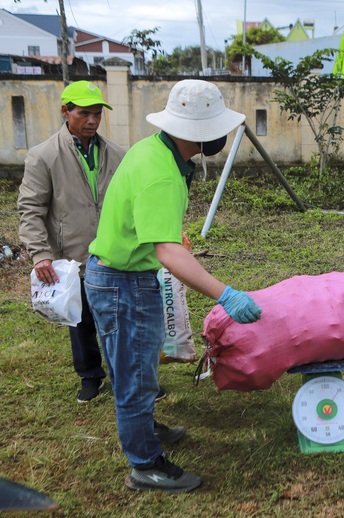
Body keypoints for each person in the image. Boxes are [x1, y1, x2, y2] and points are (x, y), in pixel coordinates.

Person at [84, 79, 262, 494]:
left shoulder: (153, 150)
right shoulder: (161, 172)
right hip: (121, 284)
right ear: (195, 133)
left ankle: (145, 427)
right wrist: (225, 294)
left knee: (141, 370)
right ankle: (145, 464)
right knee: (133, 378)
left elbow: (151, 226)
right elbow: (168, 253)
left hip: (124, 275)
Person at [18, 81, 127, 403]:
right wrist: (40, 254)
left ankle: (127, 378)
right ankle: (90, 376)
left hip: (112, 254)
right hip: (72, 256)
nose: (92, 121)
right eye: (84, 114)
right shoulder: (44, 156)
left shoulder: (118, 154)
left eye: (97, 114)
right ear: (65, 112)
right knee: (80, 322)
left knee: (119, 320)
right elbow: (31, 208)